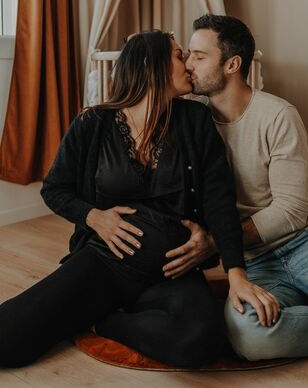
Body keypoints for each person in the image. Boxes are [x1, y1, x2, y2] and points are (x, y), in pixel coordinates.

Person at [0, 30, 279, 369]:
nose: (189, 64)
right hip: (104, 263)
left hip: (173, 269)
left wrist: (236, 273)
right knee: (9, 339)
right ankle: (97, 308)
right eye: (179, 56)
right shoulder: (93, 123)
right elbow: (54, 188)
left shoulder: (195, 120)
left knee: (200, 340)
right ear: (153, 65)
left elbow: (219, 198)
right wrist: (93, 217)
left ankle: (103, 321)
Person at [163, 13, 308, 361]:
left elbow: (292, 211)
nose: (188, 64)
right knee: (250, 338)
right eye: (188, 54)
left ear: (232, 64)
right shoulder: (191, 119)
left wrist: (217, 244)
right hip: (254, 262)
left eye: (199, 55)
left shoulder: (278, 115)